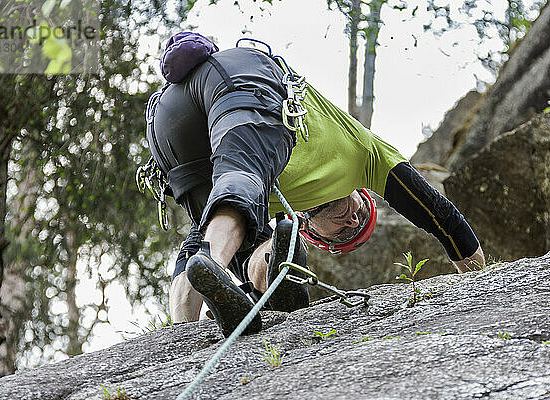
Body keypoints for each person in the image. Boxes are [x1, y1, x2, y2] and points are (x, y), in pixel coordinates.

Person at [143, 32, 485, 337]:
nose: (353, 221)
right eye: (362, 214)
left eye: (346, 233)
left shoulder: (272, 209)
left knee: (223, 230)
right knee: (243, 170)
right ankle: (215, 262)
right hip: (239, 78)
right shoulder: (367, 157)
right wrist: (479, 284)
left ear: (311, 231)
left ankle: (183, 330)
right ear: (363, 194)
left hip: (168, 125)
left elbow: (204, 243)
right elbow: (442, 218)